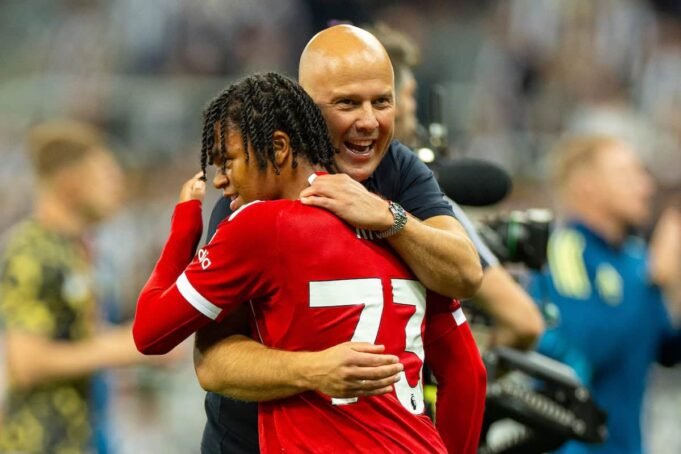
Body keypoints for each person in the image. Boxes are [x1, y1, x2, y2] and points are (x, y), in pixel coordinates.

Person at [133, 72, 477, 453]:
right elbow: (470, 374)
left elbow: (150, 333)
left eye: (228, 161)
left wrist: (183, 228)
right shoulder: (405, 232)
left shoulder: (259, 225)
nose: (220, 180)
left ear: (279, 148)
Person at [367, 21, 544, 350]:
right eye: (409, 94)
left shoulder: (310, 183)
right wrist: (466, 366)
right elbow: (523, 321)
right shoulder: (416, 188)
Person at [0, 120, 171, 453]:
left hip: (87, 437)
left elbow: (83, 339)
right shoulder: (30, 251)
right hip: (39, 443)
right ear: (71, 182)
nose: (119, 189)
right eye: (107, 177)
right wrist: (130, 346)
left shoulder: (83, 252)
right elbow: (26, 362)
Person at [527, 135, 681, 454]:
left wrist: (674, 285)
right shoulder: (564, 251)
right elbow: (587, 349)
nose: (646, 187)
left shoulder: (636, 258)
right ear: (587, 185)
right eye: (628, 174)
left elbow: (669, 350)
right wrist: (652, 281)